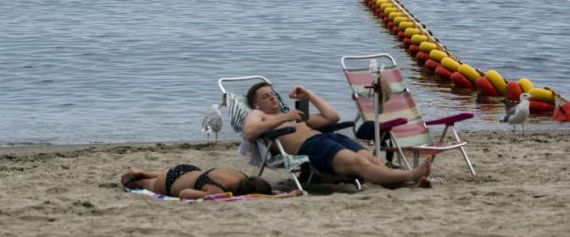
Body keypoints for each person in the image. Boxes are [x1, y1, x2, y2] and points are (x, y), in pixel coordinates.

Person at [243, 82, 431, 188]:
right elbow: (250, 132)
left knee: (368, 158)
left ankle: (404, 183)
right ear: (256, 105)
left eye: (272, 93)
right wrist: (284, 118)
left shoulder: (292, 114)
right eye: (265, 97)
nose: (272, 97)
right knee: (360, 164)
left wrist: (308, 94)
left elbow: (332, 117)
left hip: (328, 138)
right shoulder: (258, 115)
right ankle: (411, 174)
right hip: (311, 147)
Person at [121, 165, 272, 200]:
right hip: (169, 184)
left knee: (163, 175)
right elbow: (183, 194)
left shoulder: (240, 175)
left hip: (188, 169)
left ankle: (142, 172)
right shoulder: (218, 190)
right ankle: (138, 178)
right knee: (138, 184)